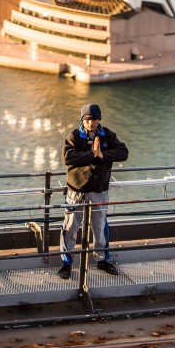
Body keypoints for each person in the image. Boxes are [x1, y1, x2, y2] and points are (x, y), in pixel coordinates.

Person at [58, 103, 128, 279]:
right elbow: (68, 158)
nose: (92, 123)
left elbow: (123, 153)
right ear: (83, 119)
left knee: (99, 226)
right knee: (71, 225)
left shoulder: (108, 135)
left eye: (95, 119)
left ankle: (102, 260)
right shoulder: (74, 136)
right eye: (88, 120)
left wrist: (103, 154)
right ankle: (66, 263)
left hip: (99, 189)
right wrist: (92, 154)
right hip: (76, 189)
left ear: (99, 119)